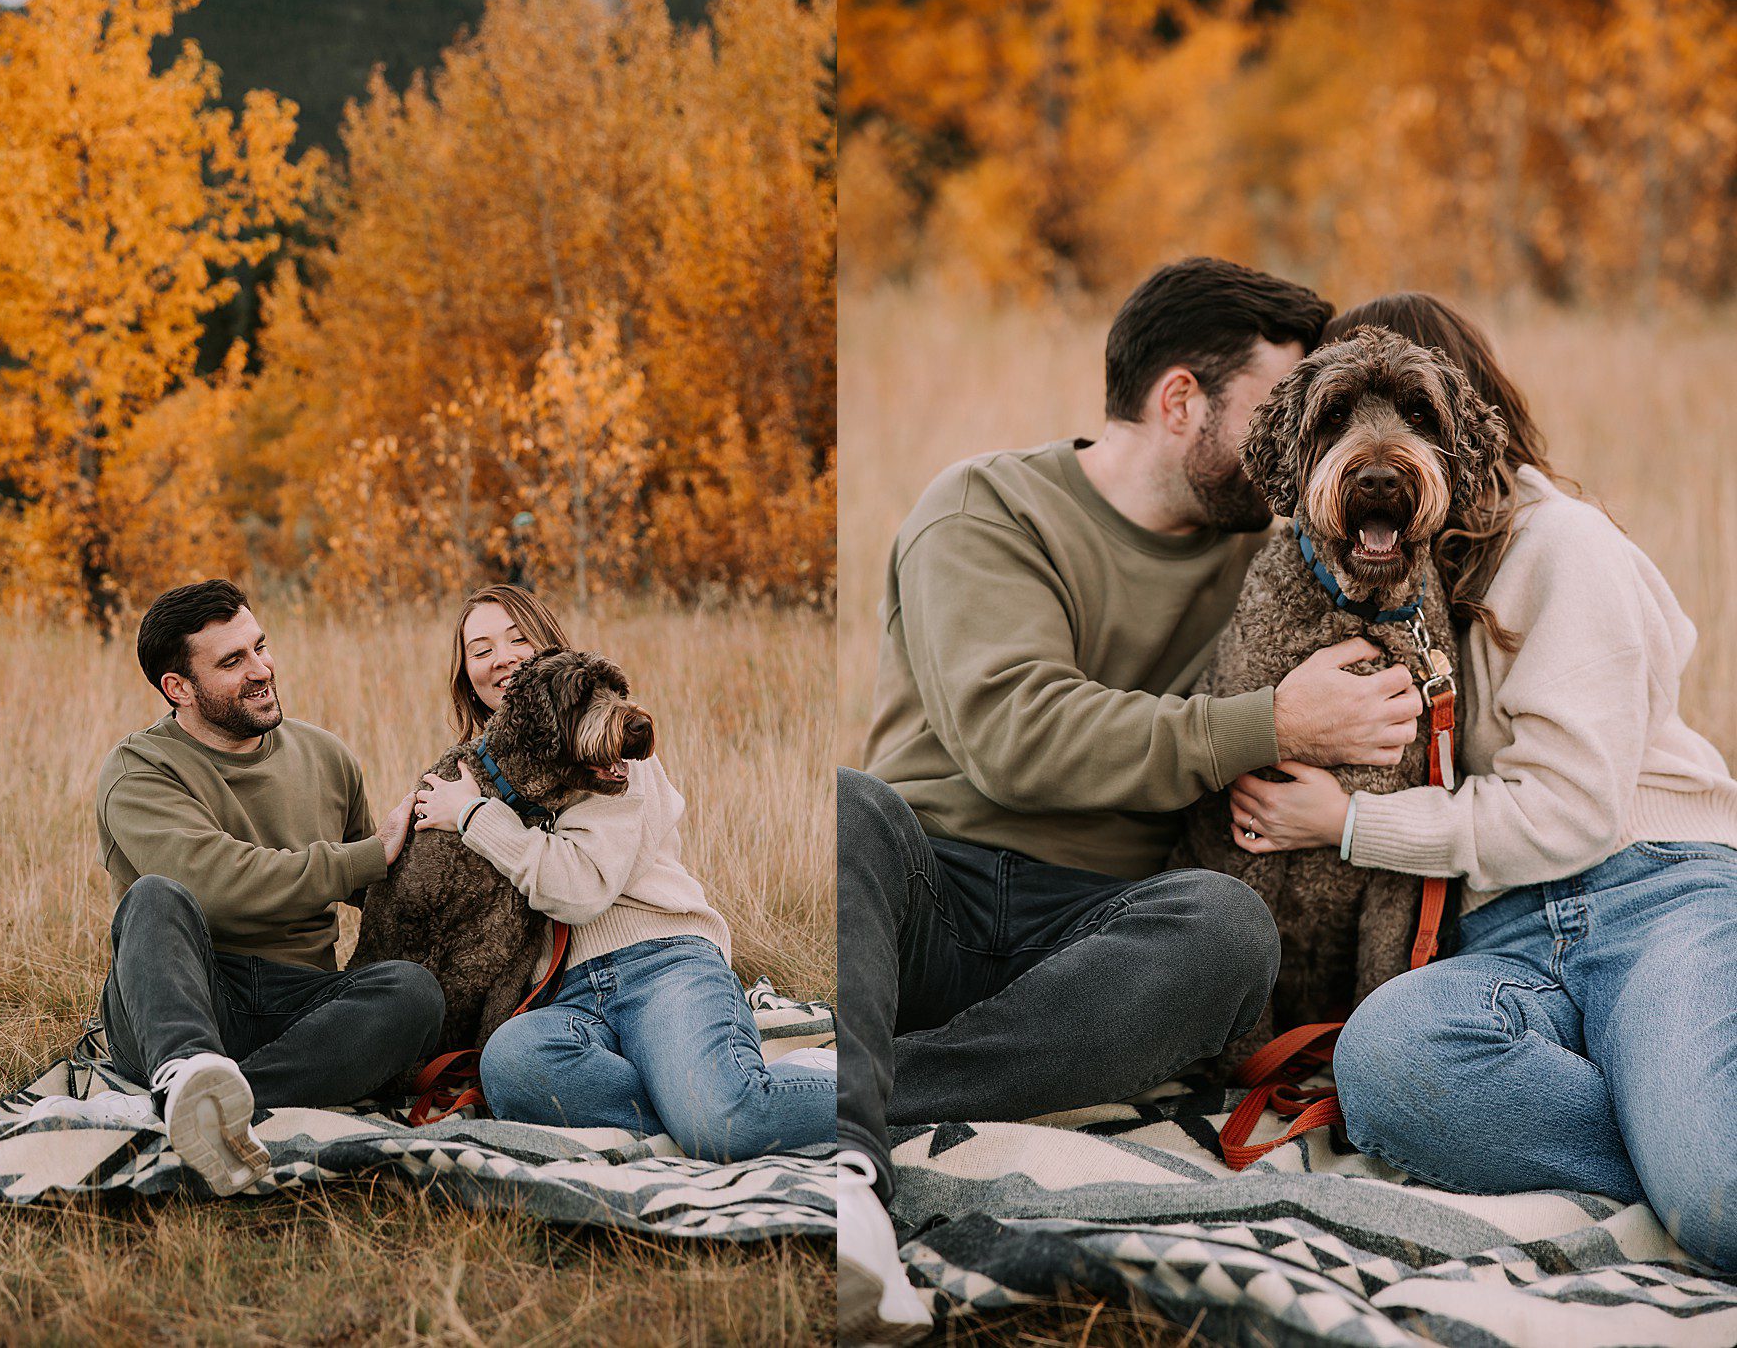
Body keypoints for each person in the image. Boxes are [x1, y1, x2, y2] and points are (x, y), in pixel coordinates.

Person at [835, 257, 1431, 1342]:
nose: (1296, 443)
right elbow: (1018, 735)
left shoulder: (1276, 546)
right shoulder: (983, 508)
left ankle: (866, 1089)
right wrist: (1274, 724)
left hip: (1098, 929)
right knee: (848, 809)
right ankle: (847, 1187)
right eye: (1275, 411)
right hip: (933, 884)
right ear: (1178, 402)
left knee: (1223, 925)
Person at [1225, 292, 1737, 1271]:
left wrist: (1347, 824)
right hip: (1503, 934)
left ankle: (1696, 1148)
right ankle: (1675, 1120)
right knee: (1389, 1069)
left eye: (1417, 415)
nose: (1380, 449)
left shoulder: (1565, 546)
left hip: (1650, 890)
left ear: (1470, 424)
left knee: (1718, 1201)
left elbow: (1574, 813)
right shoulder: (1409, 576)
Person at [35, 579, 445, 1197]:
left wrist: (473, 835)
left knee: (414, 992)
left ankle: (223, 1106)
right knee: (156, 897)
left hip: (297, 1009)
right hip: (184, 996)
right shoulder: (140, 770)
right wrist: (363, 858)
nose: (262, 670)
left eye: (260, 647)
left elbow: (378, 890)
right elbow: (217, 884)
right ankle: (186, 1074)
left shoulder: (325, 755)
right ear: (179, 687)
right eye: (233, 661)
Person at [410, 584, 836, 1161]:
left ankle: (877, 1089)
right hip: (566, 998)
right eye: (480, 649)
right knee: (511, 1065)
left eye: (518, 638)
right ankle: (690, 1099)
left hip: (663, 964)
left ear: (551, 648)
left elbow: (579, 891)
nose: (502, 658)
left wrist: (473, 817)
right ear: (466, 673)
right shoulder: (483, 769)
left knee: (729, 1124)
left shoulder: (615, 749)